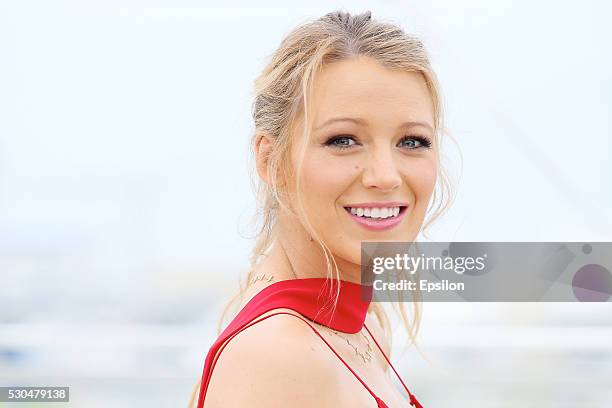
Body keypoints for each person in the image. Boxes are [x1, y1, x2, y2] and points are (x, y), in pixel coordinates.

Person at [190, 9, 452, 408]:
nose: (385, 176)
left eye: (412, 141)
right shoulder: (277, 356)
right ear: (270, 160)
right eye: (343, 140)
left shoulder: (362, 330)